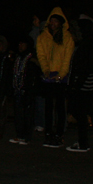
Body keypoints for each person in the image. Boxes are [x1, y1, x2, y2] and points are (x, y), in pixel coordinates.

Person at [36, 8, 75, 148]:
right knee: (48, 106)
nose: (53, 23)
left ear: (61, 23)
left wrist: (61, 74)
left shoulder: (67, 37)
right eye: (51, 21)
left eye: (56, 21)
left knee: (60, 107)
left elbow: (67, 58)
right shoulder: (43, 37)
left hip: (61, 76)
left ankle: (59, 134)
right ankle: (48, 133)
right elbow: (41, 54)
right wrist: (46, 69)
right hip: (48, 76)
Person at [66, 18, 93, 152]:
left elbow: (84, 68)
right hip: (86, 82)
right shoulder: (89, 43)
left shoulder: (86, 45)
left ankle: (83, 143)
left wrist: (75, 86)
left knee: (80, 112)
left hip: (84, 82)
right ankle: (82, 141)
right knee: (81, 112)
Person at [9, 40, 39, 145]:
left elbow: (33, 77)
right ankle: (20, 135)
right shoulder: (17, 58)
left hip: (28, 90)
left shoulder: (32, 59)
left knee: (28, 114)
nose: (20, 46)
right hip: (17, 89)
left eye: (23, 44)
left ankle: (27, 136)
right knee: (18, 114)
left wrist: (30, 90)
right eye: (19, 44)